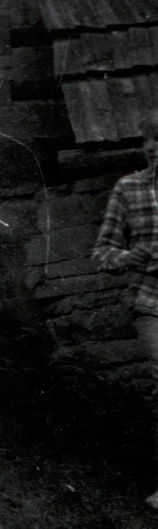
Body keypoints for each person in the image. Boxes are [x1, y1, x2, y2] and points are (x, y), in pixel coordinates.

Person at [92, 109, 158, 508]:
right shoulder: (128, 189)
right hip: (152, 300)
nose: (152, 148)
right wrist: (129, 258)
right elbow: (101, 252)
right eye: (147, 140)